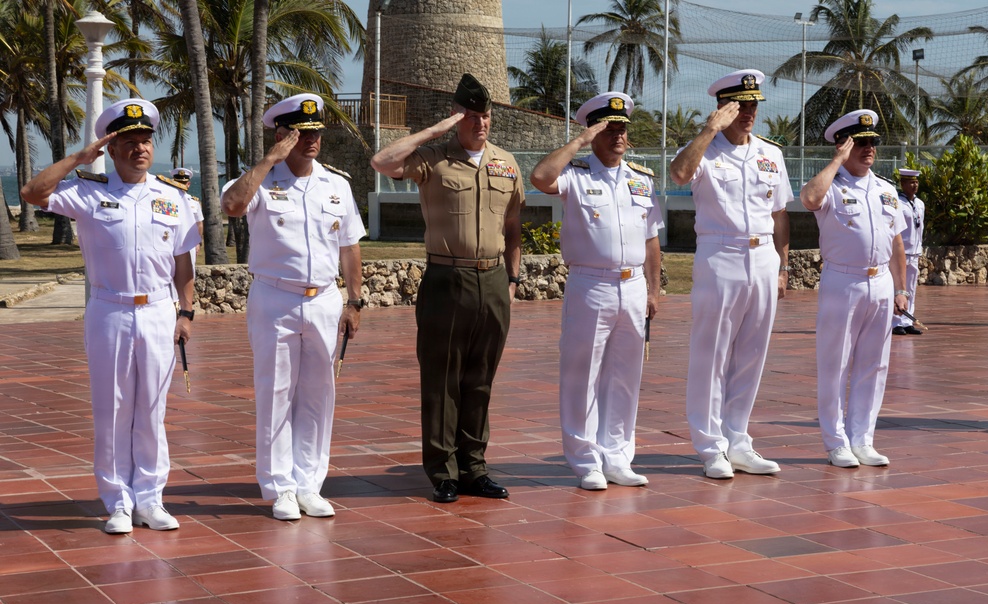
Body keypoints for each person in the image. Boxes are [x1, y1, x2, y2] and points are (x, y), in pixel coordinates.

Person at [20, 99, 200, 534]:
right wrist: (78, 158)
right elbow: (32, 193)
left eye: (145, 140)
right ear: (112, 149)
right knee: (113, 409)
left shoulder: (172, 197)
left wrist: (187, 312)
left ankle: (151, 499)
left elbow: (184, 263)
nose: (141, 148)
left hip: (159, 310)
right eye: (130, 142)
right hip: (109, 310)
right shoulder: (87, 190)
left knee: (152, 409)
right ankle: (118, 501)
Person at [370, 73, 525, 503]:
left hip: (493, 280)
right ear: (458, 117)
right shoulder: (434, 158)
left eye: (486, 116)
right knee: (443, 379)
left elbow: (514, 227)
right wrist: (438, 128)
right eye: (472, 116)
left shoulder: (506, 163)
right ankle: (443, 471)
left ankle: (474, 467)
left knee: (481, 378)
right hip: (446, 278)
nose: (481, 123)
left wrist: (512, 279)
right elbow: (383, 162)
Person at [220, 93, 364, 520]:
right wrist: (270, 160)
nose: (312, 140)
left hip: (323, 298)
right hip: (274, 298)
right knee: (276, 393)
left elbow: (350, 246)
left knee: (319, 394)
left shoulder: (336, 185)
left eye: (316, 132)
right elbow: (231, 206)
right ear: (282, 134)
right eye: (301, 133)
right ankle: (280, 486)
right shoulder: (261, 181)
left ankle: (309, 483)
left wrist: (354, 300)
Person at [530, 92, 663, 490]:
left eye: (622, 129)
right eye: (609, 129)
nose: (618, 136)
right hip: (590, 285)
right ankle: (585, 460)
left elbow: (652, 241)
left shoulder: (642, 180)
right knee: (580, 373)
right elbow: (539, 177)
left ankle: (618, 456)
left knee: (625, 375)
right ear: (594, 131)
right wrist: (579, 142)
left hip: (633, 285)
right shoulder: (577, 174)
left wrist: (653, 292)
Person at [669, 69, 792, 479]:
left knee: (752, 354)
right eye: (739, 106)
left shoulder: (770, 153)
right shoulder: (705, 149)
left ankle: (738, 438)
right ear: (723, 107)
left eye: (753, 105)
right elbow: (680, 174)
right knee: (712, 354)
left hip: (763, 258)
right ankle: (709, 446)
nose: (748, 113)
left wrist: (783, 264)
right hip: (720, 256)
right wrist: (709, 130)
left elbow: (779, 213)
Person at [799, 109, 908, 468]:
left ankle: (863, 438)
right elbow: (810, 200)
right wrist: (836, 162)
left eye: (872, 142)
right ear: (844, 146)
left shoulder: (886, 190)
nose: (868, 149)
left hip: (880, 283)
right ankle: (836, 442)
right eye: (859, 143)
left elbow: (896, 243)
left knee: (874, 365)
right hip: (842, 281)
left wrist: (902, 289)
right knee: (835, 364)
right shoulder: (832, 185)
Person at [891, 169, 925, 335]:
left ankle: (907, 320)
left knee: (910, 289)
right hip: (902, 252)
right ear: (903, 184)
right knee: (898, 288)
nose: (915, 185)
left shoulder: (920, 204)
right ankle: (895, 321)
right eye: (911, 182)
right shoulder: (897, 202)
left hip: (915, 252)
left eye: (916, 182)